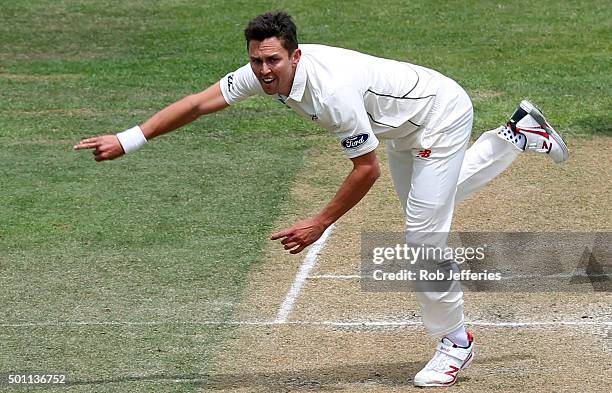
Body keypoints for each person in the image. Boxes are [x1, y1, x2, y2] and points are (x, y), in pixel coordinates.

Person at [74, 11, 569, 387]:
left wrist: (320, 222)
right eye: (257, 60)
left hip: (439, 116)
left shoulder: (332, 93)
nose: (264, 70)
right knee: (433, 201)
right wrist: (130, 137)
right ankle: (515, 135)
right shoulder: (262, 72)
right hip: (399, 127)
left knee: (421, 237)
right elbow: (202, 102)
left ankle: (455, 341)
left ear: (295, 56)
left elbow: (364, 169)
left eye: (273, 60)